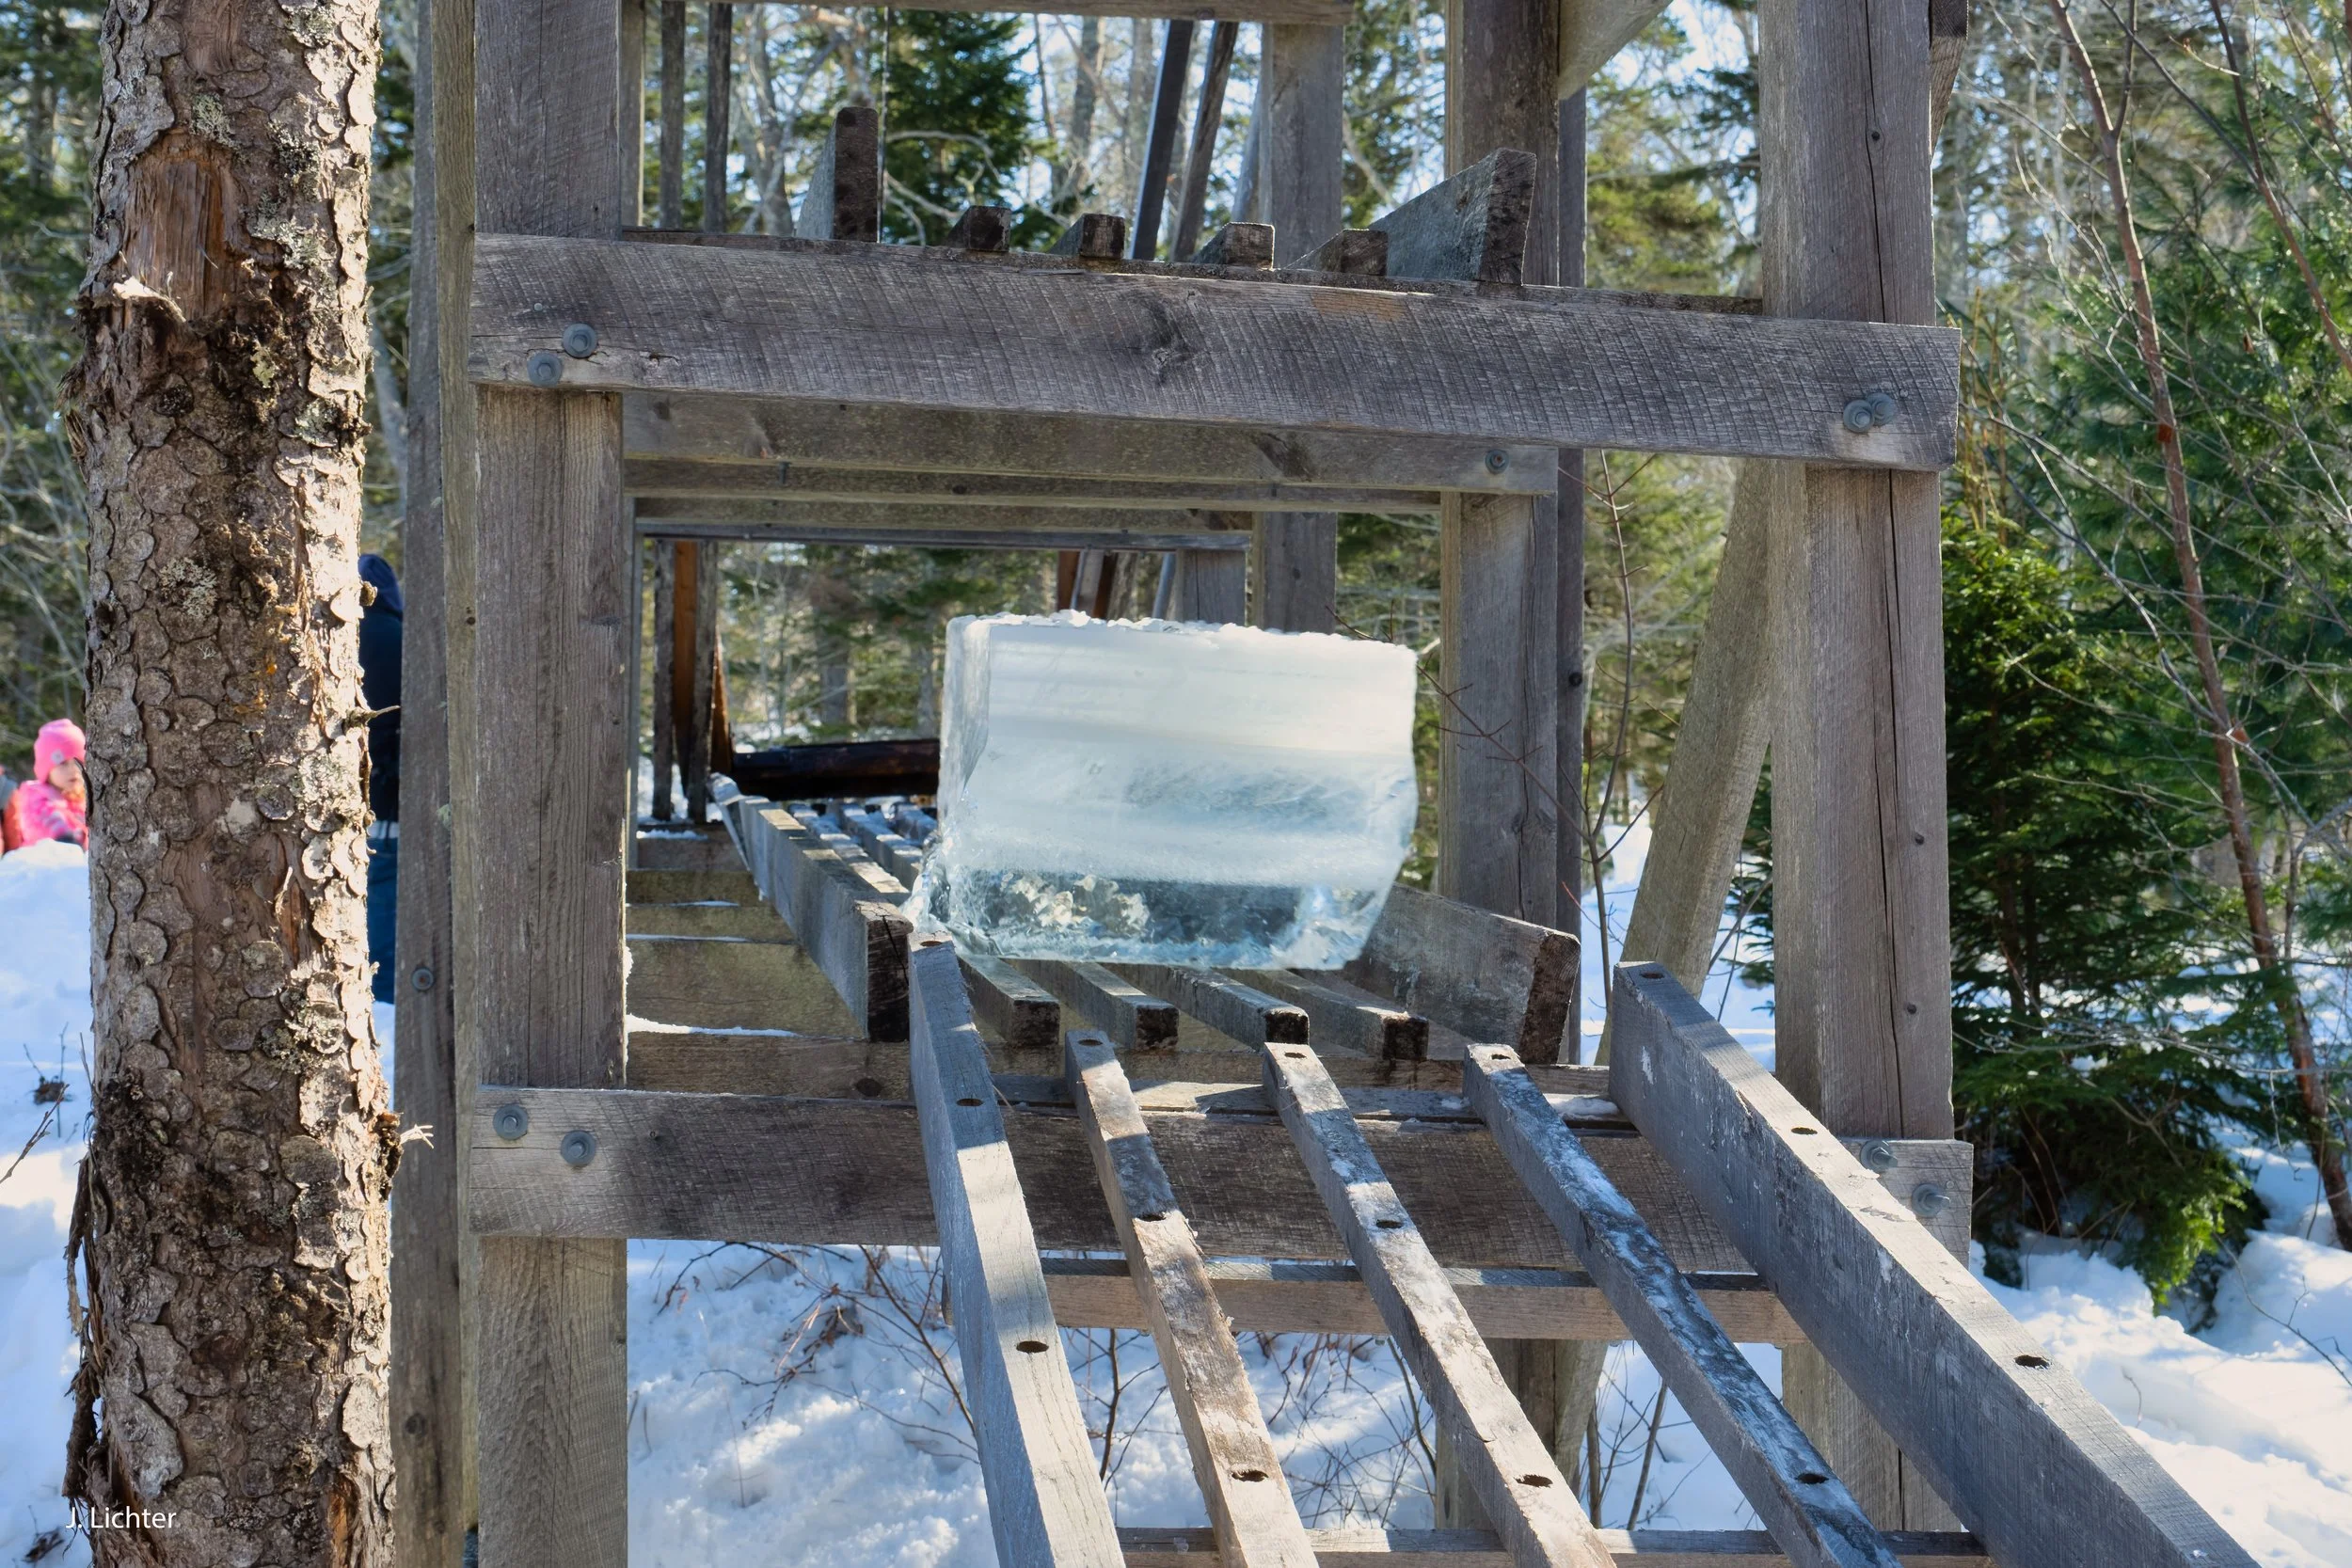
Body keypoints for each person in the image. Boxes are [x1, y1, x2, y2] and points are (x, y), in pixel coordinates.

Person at [359, 553, 404, 1002]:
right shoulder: (401, 637)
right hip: (393, 796)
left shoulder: (335, 638)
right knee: (387, 890)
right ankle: (384, 991)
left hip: (346, 794)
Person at [4, 719, 88, 851]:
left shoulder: (82, 798)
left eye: (78, 763)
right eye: (63, 764)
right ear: (46, 770)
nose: (73, 770)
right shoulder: (37, 799)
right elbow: (48, 823)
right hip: (47, 864)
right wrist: (65, 838)